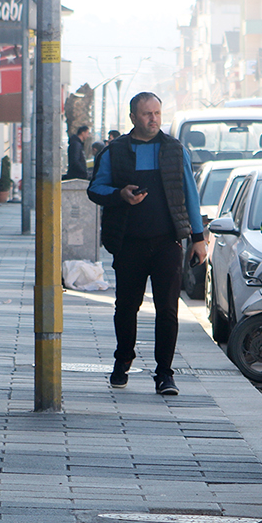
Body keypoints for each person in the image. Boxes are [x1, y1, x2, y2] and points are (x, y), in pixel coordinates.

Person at [87, 92, 208, 396]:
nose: (153, 119)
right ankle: (123, 359)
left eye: (157, 113)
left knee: (168, 310)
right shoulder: (114, 151)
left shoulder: (175, 150)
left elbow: (190, 195)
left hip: (167, 243)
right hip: (129, 243)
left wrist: (198, 239)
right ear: (133, 117)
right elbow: (95, 189)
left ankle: (164, 373)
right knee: (126, 307)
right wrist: (120, 194)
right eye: (146, 114)